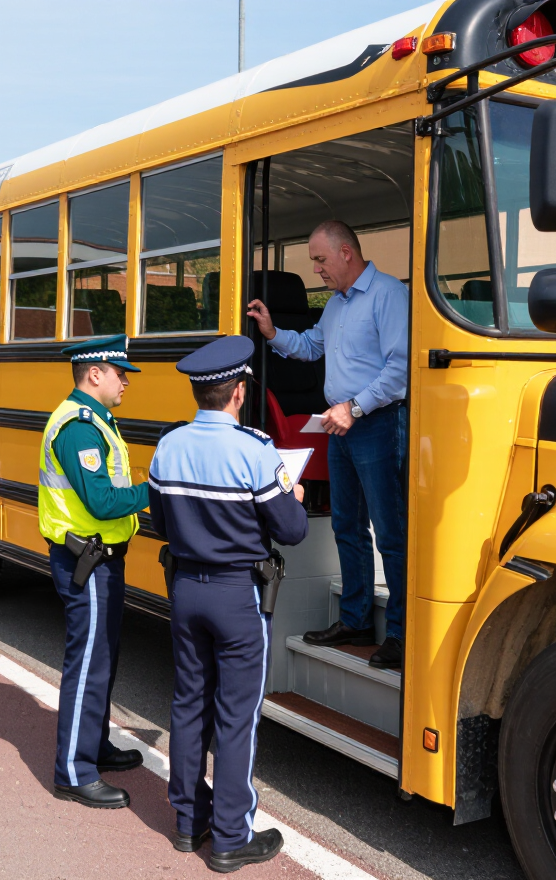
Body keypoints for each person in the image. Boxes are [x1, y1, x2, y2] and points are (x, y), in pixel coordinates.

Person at [149, 335, 308, 872]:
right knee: (236, 718)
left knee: (189, 703)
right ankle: (231, 837)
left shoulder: (168, 447)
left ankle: (188, 821)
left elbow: (162, 523)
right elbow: (291, 530)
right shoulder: (255, 451)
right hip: (237, 595)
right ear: (238, 392)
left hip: (186, 590)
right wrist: (294, 496)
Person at [247, 219, 408, 669]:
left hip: (376, 423)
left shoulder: (389, 296)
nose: (315, 269)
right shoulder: (336, 306)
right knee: (347, 527)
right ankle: (356, 620)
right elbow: (312, 346)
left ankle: (400, 633)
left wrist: (354, 407)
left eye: (319, 259)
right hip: (341, 427)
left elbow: (400, 369)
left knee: (391, 534)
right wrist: (272, 332)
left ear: (345, 254)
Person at [37, 334, 148, 810]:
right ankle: (74, 772)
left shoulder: (98, 421)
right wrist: (157, 491)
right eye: (120, 372)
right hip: (90, 559)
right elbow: (102, 502)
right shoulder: (80, 427)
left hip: (102, 559)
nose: (125, 381)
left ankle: (94, 745)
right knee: (87, 663)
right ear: (94, 374)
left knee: (103, 658)